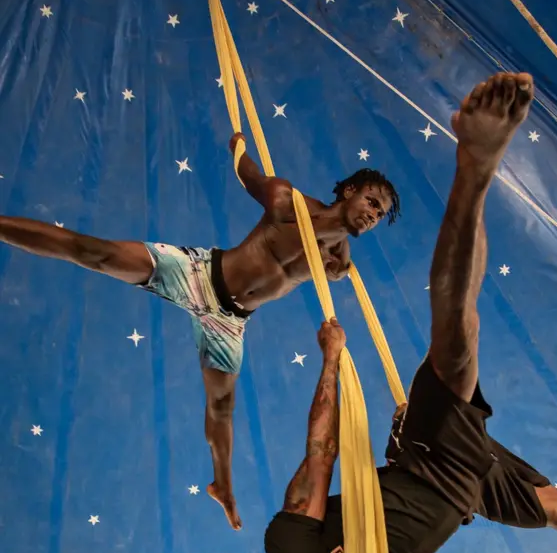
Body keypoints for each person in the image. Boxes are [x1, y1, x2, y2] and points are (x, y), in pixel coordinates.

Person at [207, 72, 557, 553]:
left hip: (430, 457)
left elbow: (321, 451)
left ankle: (475, 168)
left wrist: (331, 358)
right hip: (465, 492)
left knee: (457, 341)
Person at [0, 134, 400, 529]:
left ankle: (222, 486)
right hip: (200, 274)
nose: (373, 214)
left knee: (221, 407)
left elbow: (335, 269)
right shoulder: (287, 202)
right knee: (96, 253)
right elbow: (249, 176)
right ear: (348, 191)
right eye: (371, 201)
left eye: (380, 213)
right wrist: (238, 148)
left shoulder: (337, 260)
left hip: (230, 321)